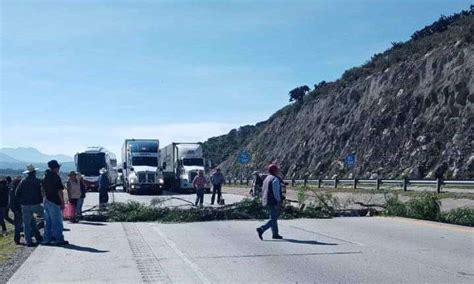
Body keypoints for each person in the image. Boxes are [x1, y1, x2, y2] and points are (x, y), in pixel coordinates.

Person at [15, 165, 44, 246]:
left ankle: (29, 241)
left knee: (27, 224)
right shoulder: (38, 181)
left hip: (25, 205)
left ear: (27, 173)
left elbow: (17, 193)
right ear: (34, 172)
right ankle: (49, 235)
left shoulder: (22, 181)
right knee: (47, 216)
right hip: (36, 204)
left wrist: (22, 201)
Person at [42, 160, 68, 246]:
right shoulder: (56, 177)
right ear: (56, 168)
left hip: (46, 200)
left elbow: (42, 190)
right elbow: (59, 191)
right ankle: (58, 239)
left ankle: (46, 239)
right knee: (57, 221)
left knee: (47, 222)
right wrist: (62, 202)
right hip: (54, 201)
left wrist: (44, 198)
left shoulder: (45, 177)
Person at [256, 164, 283, 240]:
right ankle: (262, 229)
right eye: (277, 169)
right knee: (274, 218)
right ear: (274, 170)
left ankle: (275, 234)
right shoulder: (275, 179)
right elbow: (276, 191)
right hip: (273, 200)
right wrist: (278, 201)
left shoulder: (267, 178)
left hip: (266, 200)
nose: (278, 171)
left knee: (273, 216)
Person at [9, 177, 23, 244]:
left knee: (18, 225)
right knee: (18, 226)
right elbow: (12, 202)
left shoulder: (13, 190)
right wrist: (16, 210)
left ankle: (18, 239)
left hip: (19, 209)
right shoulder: (14, 191)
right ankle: (17, 239)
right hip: (18, 210)